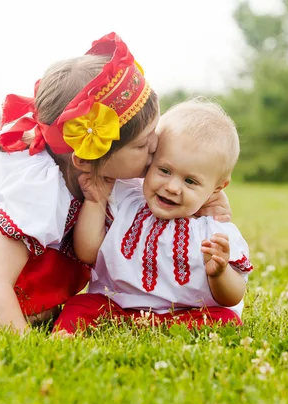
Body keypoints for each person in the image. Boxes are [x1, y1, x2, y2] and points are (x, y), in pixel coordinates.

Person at [0, 34, 230, 334]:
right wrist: (24, 344)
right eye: (145, 146)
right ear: (88, 157)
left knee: (59, 269)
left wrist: (206, 208)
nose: (156, 151)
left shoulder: (75, 161)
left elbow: (142, 205)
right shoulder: (37, 187)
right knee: (48, 279)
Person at [54, 98, 253, 334]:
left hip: (182, 314)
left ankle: (175, 331)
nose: (172, 187)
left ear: (217, 188)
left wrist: (219, 273)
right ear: (150, 162)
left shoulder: (215, 231)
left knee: (226, 319)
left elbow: (233, 296)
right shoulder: (126, 200)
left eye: (190, 181)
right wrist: (95, 201)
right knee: (80, 305)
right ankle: (64, 337)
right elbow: (87, 252)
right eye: (164, 170)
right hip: (116, 307)